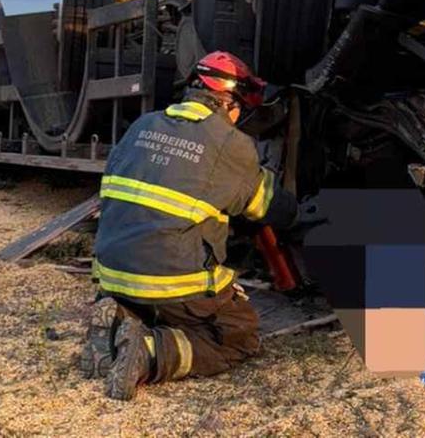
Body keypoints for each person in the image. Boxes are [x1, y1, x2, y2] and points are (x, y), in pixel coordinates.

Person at [79, 51, 286, 400]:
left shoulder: (142, 125)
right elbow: (265, 207)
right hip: (169, 284)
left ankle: (119, 318)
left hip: (111, 273)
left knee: (151, 299)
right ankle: (148, 353)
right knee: (238, 335)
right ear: (230, 103)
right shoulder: (230, 143)